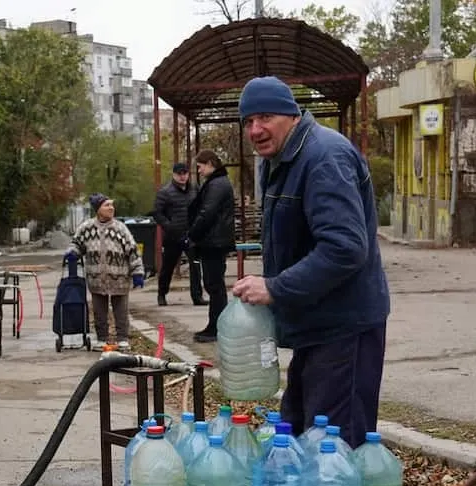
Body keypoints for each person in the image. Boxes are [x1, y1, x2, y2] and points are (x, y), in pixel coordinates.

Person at [230, 76, 390, 449]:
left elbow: (346, 247)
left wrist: (275, 287)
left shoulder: (323, 157)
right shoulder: (282, 159)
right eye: (249, 121)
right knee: (300, 436)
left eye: (265, 117)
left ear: (292, 115)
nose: (255, 129)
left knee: (334, 448)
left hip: (343, 328)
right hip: (315, 326)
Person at [65, 193, 145, 351]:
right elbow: (77, 244)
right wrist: (72, 253)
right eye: (107, 205)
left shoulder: (120, 228)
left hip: (119, 278)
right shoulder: (86, 228)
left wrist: (138, 272)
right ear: (98, 209)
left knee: (121, 311)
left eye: (112, 205)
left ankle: (122, 338)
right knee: (99, 311)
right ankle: (102, 338)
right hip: (96, 278)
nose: (111, 208)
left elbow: (133, 251)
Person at [187, 150, 236, 343]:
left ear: (209, 163)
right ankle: (214, 325)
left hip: (214, 241)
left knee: (214, 285)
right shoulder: (219, 183)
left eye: (199, 167)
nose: (198, 171)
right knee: (214, 284)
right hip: (215, 240)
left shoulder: (217, 184)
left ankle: (216, 327)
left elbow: (207, 212)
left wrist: (192, 234)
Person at [152, 162, 205, 307]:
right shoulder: (165, 192)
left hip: (191, 234)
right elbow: (157, 212)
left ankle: (197, 296)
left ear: (188, 174)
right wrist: (169, 226)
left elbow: (202, 206)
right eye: (179, 174)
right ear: (174, 175)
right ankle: (162, 294)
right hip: (173, 236)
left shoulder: (194, 188)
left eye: (185, 173)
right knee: (167, 268)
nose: (182, 177)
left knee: (195, 266)